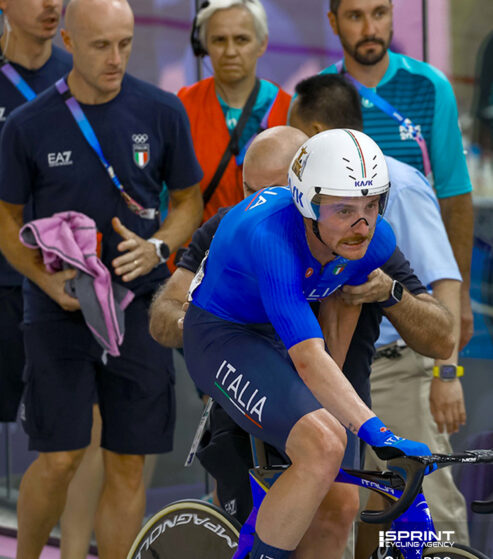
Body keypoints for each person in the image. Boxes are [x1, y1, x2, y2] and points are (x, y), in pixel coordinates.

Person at [180, 127, 450, 559]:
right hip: (223, 334)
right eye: (343, 210)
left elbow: (345, 314)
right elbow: (307, 357)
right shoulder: (271, 235)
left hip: (282, 337)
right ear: (306, 204)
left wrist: (335, 412)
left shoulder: (376, 240)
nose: (361, 225)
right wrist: (379, 433)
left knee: (336, 477)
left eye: (371, 205)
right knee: (323, 443)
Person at [0, 0, 203, 557]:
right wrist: (43, 281)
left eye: (125, 44)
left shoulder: (161, 111)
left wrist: (158, 245)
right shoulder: (28, 125)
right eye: (100, 46)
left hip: (139, 306)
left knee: (128, 462)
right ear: (68, 41)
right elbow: (6, 219)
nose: (115, 58)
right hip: (58, 310)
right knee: (60, 457)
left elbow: (188, 201)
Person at [290, 73, 469, 552]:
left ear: (315, 135)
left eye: (298, 141)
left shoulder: (400, 185)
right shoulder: (302, 202)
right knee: (354, 513)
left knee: (424, 508)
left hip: (399, 373)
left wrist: (446, 373)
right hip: (338, 374)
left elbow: (444, 281)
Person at [0, 3, 102, 558]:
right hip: (5, 278)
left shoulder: (81, 75)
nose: (48, 5)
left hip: (67, 290)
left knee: (79, 435)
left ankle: (75, 550)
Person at [323, 0, 474, 351]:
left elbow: (455, 197)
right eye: (355, 16)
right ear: (333, 21)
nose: (370, 29)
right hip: (339, 295)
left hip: (414, 294)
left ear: (392, 13)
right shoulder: (319, 92)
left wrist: (460, 294)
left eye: (379, 13)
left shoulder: (430, 86)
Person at [178, 0, 291, 224]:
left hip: (273, 240)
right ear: (204, 45)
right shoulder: (182, 106)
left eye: (241, 39)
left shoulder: (289, 110)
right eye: (219, 40)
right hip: (202, 243)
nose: (230, 51)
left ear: (262, 43)